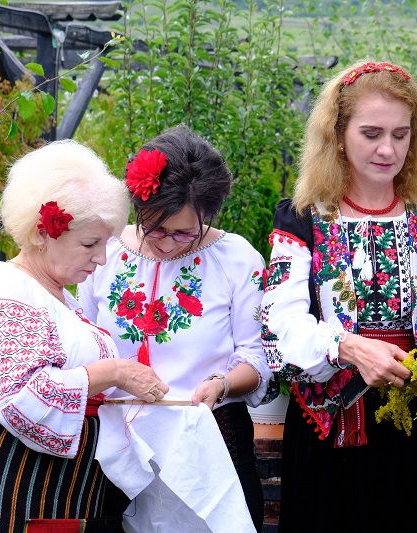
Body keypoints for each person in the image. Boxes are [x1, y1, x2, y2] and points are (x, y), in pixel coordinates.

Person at [259, 59, 417, 532]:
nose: (388, 149)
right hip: (330, 434)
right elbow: (278, 327)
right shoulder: (303, 219)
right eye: (372, 133)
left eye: (401, 134)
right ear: (338, 135)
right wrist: (350, 348)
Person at [0, 140, 170, 533]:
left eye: (105, 244)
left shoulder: (61, 298)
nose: (101, 258)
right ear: (41, 233)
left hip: (56, 480)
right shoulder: (5, 288)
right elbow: (21, 396)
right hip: (10, 475)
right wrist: (114, 372)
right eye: (89, 244)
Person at [77, 124, 271, 532]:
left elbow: (257, 359)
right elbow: (83, 340)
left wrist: (221, 384)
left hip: (208, 438)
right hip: (117, 443)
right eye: (155, 229)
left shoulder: (236, 259)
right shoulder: (104, 252)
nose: (167, 244)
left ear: (208, 214)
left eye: (184, 232)